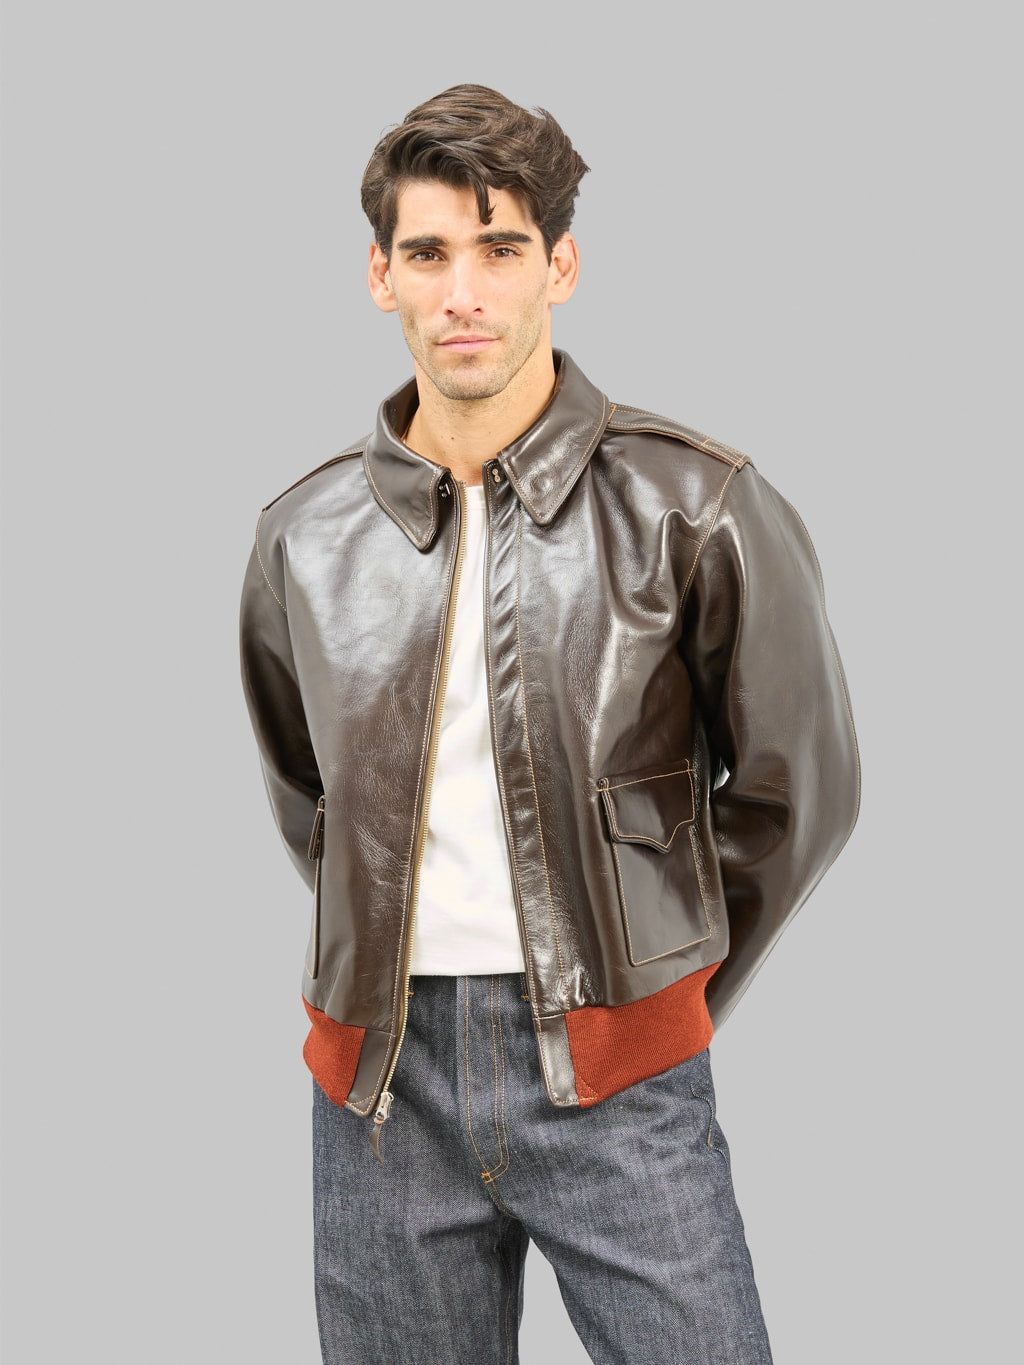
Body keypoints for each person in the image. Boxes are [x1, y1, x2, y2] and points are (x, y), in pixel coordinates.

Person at [239, 83, 860, 1365]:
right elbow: (312, 799)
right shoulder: (304, 537)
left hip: (616, 1071)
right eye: (427, 254)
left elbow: (799, 794)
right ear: (379, 276)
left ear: (560, 266)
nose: (463, 293)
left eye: (501, 249)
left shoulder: (696, 504)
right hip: (377, 1089)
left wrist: (655, 987)